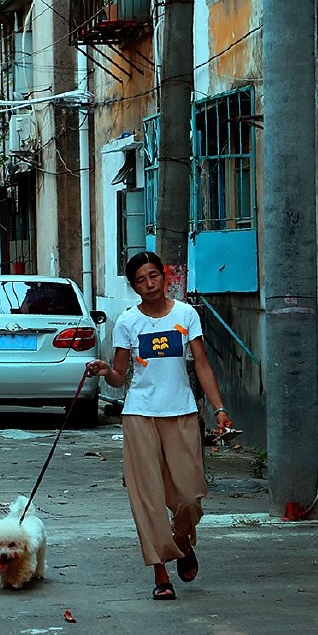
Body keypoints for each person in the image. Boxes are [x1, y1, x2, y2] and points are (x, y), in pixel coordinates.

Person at [88, 251, 232, 601]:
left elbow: (201, 365)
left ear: (164, 277)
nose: (149, 284)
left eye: (153, 276)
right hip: (139, 415)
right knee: (148, 497)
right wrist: (106, 371)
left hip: (181, 413)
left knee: (190, 495)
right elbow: (121, 377)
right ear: (134, 285)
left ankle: (181, 538)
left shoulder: (186, 314)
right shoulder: (127, 322)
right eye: (140, 279)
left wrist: (219, 409)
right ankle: (160, 570)